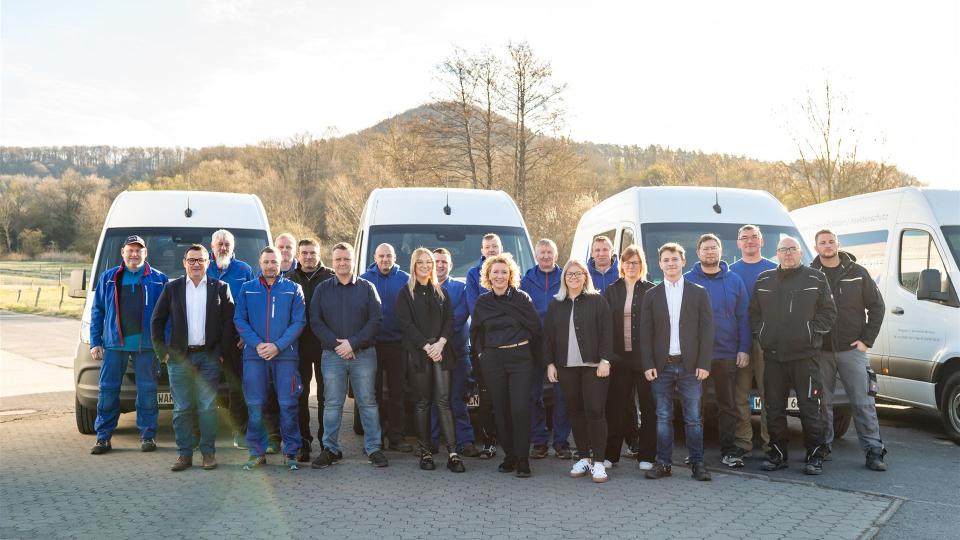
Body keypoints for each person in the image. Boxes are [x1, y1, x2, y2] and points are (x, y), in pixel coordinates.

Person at [749, 236, 837, 475]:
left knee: (810, 408)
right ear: (776, 253)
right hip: (774, 357)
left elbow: (828, 312)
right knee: (774, 408)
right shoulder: (764, 279)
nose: (788, 253)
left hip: (805, 357)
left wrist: (811, 334)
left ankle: (814, 456)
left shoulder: (816, 278)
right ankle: (777, 455)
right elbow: (754, 314)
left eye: (792, 249)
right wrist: (763, 334)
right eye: (783, 250)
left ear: (800, 253)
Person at [151, 245, 234, 471]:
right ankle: (184, 455)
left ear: (209, 262)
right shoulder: (172, 288)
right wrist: (163, 353)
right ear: (184, 262)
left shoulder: (221, 288)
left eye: (201, 260)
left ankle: (208, 454)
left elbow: (229, 323)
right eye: (192, 260)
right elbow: (157, 321)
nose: (196, 264)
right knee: (182, 408)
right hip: (180, 359)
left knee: (207, 408)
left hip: (209, 358)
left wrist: (222, 354)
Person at [811, 229, 887, 471]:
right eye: (822, 242)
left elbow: (877, 307)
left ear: (838, 244)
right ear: (816, 248)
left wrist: (866, 340)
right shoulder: (810, 275)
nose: (827, 245)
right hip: (820, 351)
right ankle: (822, 448)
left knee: (863, 401)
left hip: (851, 349)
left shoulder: (857, 273)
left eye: (831, 241)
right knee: (822, 403)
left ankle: (874, 450)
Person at [310, 242, 389, 469]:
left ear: (353, 261)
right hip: (332, 355)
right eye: (338, 260)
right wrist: (338, 345)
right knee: (332, 403)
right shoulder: (322, 289)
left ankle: (374, 448)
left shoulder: (367, 287)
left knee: (368, 403)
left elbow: (376, 320)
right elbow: (315, 320)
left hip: (363, 354)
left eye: (346, 259)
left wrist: (352, 344)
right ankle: (330, 449)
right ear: (332, 262)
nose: (343, 263)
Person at [639, 243, 714, 482]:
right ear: (659, 264)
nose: (670, 263)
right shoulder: (651, 295)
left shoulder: (698, 292)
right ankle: (663, 463)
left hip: (691, 366)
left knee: (693, 418)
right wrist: (648, 363)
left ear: (683, 261)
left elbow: (707, 330)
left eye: (674, 259)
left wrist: (704, 363)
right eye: (666, 260)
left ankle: (697, 463)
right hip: (661, 367)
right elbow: (645, 332)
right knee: (662, 417)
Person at [89, 235, 168, 455]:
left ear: (146, 253)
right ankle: (103, 437)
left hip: (147, 347)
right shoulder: (108, 278)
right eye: (130, 250)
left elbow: (167, 316)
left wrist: (165, 345)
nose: (134, 254)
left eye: (138, 250)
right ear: (123, 252)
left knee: (147, 392)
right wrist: (95, 341)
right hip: (114, 345)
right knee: (107, 391)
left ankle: (148, 436)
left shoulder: (159, 280)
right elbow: (98, 313)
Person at [234, 246, 306, 471]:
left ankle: (291, 453)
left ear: (281, 262)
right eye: (266, 262)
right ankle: (257, 453)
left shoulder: (294, 289)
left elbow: (299, 322)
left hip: (285, 357)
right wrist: (258, 345)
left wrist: (277, 346)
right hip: (254, 356)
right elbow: (239, 320)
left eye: (274, 262)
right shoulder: (247, 289)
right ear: (260, 263)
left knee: (288, 404)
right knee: (255, 405)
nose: (270, 266)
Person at [470, 254, 542, 478]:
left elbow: (536, 329)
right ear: (488, 275)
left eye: (503, 271)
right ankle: (510, 455)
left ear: (510, 274)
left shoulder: (522, 299)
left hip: (520, 359)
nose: (499, 276)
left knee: (520, 408)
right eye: (495, 272)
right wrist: (482, 355)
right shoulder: (483, 302)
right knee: (500, 409)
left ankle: (523, 459)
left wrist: (534, 359)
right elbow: (477, 333)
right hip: (494, 360)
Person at [684, 234, 752, 469]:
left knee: (728, 405)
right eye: (705, 249)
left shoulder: (735, 281)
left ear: (721, 251)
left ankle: (729, 451)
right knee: (695, 406)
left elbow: (744, 317)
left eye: (714, 248)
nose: (710, 252)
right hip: (695, 356)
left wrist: (744, 348)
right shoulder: (687, 280)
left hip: (726, 354)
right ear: (698, 252)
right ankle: (695, 452)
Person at [396, 248, 466, 473]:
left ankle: (453, 454)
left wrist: (441, 343)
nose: (425, 266)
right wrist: (427, 346)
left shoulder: (441, 292)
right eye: (421, 262)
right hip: (419, 354)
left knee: (444, 402)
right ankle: (425, 452)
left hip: (442, 352)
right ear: (414, 265)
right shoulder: (406, 293)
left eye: (429, 262)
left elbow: (450, 320)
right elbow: (406, 325)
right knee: (423, 403)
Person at [543, 260, 615, 483]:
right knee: (575, 411)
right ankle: (584, 457)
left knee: (595, 411)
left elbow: (607, 332)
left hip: (594, 366)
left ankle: (599, 462)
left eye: (578, 274)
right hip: (566, 367)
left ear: (585, 276)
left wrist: (605, 360)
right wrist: (550, 363)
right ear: (564, 278)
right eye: (569, 274)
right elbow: (548, 337)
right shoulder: (557, 304)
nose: (573, 277)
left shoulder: (597, 300)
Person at [602, 244, 656, 471]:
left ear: (641, 265)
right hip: (619, 358)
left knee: (648, 406)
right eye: (627, 262)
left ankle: (646, 455)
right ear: (621, 265)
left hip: (645, 359)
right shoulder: (612, 290)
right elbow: (604, 326)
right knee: (616, 408)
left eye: (635, 262)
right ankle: (611, 455)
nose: (631, 266)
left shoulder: (651, 290)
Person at [520, 239, 572, 460]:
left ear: (555, 254)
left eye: (549, 252)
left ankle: (561, 442)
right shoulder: (526, 279)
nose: (545, 256)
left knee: (563, 395)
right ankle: (539, 441)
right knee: (533, 394)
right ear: (536, 255)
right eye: (541, 253)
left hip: (561, 343)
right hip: (533, 343)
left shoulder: (566, 276)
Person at [730, 224, 777, 458]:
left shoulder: (774, 269)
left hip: (766, 342)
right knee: (741, 396)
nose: (749, 241)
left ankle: (771, 444)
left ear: (762, 241)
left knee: (770, 395)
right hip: (740, 341)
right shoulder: (730, 271)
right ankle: (743, 442)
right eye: (744, 238)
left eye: (754, 237)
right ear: (738, 243)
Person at [360, 243, 413, 452]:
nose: (385, 260)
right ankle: (376, 438)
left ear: (394, 257)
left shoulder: (405, 279)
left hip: (397, 345)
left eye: (388, 256)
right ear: (375, 257)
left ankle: (396, 438)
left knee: (396, 394)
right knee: (372, 395)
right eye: (381, 256)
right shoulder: (364, 279)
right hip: (371, 345)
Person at [287, 238, 335, 463]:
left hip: (325, 347)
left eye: (312, 253)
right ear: (298, 255)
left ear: (319, 254)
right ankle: (303, 442)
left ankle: (327, 442)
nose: (308, 257)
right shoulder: (288, 279)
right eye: (304, 253)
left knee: (326, 397)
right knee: (300, 396)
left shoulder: (331, 277)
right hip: (298, 347)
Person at [207, 229, 255, 450]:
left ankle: (239, 431)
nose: (223, 248)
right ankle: (204, 434)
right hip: (207, 342)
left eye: (227, 244)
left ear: (233, 247)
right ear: (212, 247)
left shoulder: (244, 270)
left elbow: (254, 305)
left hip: (236, 341)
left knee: (237, 389)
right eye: (220, 244)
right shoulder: (202, 267)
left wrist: (247, 335)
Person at [431, 248, 479, 457]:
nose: (440, 265)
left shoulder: (461, 288)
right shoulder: (423, 288)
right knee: (434, 398)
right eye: (437, 261)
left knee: (458, 398)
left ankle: (465, 441)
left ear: (450, 265)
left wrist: (439, 337)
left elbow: (460, 316)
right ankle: (432, 442)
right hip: (432, 354)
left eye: (444, 261)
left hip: (457, 353)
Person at [465, 233, 503, 459]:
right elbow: (474, 309)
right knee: (486, 397)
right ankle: (488, 442)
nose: (491, 250)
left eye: (495, 246)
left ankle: (508, 442)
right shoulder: (472, 274)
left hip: (510, 347)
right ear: (482, 250)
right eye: (487, 247)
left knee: (508, 397)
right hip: (484, 346)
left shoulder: (510, 270)